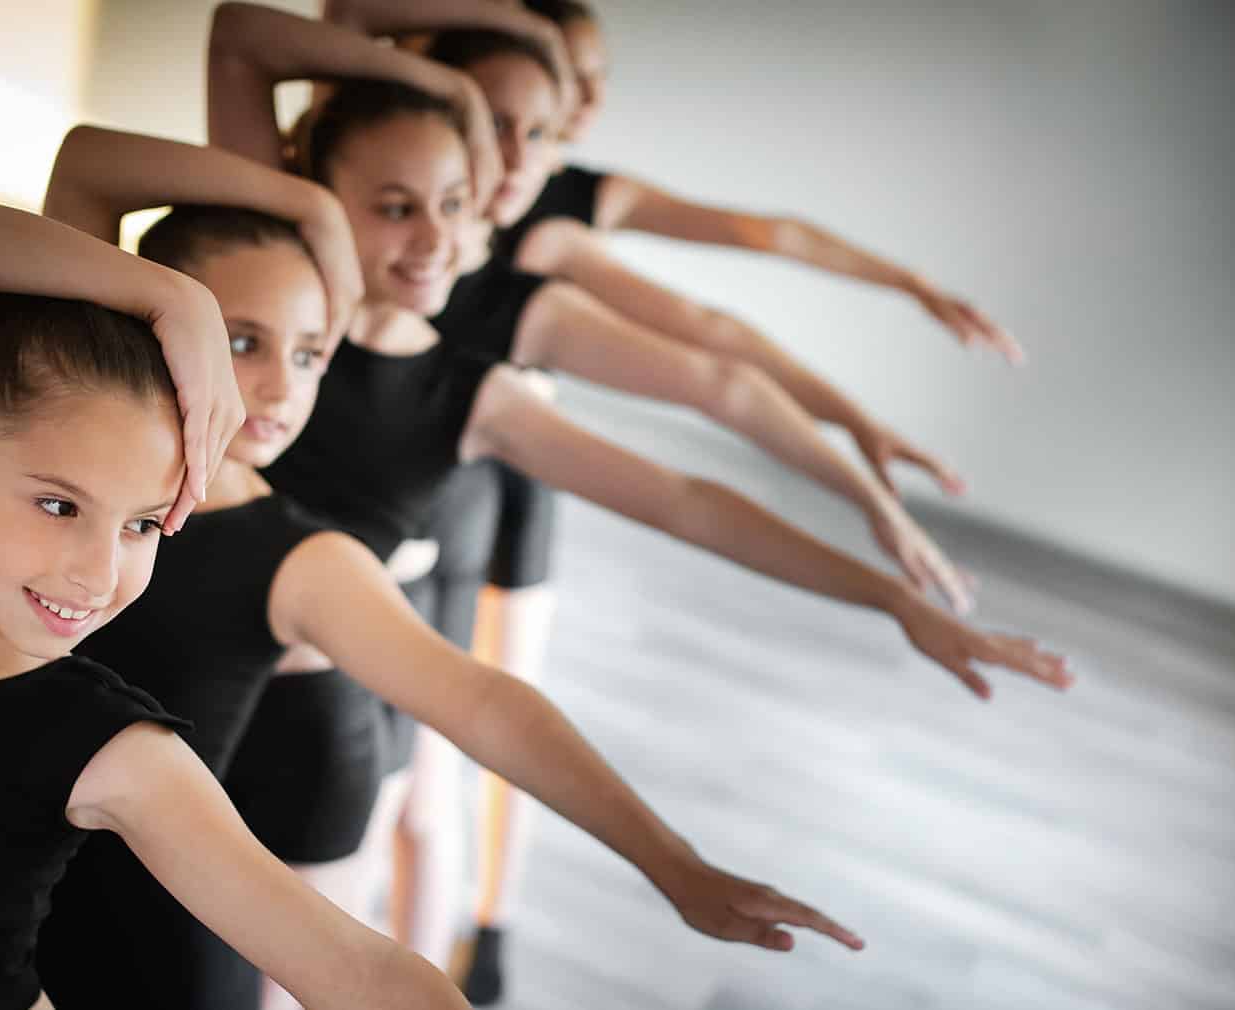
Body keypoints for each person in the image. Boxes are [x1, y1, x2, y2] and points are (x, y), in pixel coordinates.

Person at [208, 3, 1073, 996]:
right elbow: (244, 36)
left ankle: (483, 937)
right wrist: (460, 76)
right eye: (403, 201)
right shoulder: (272, 262)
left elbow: (688, 496)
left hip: (313, 715)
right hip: (174, 668)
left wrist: (887, 585)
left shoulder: (473, 383)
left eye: (456, 198)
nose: (439, 231)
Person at [32, 126, 865, 1010]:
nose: (281, 387)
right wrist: (315, 207)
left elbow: (481, 699)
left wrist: (668, 859)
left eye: (311, 352)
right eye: (240, 340)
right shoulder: (47, 421)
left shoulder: (292, 554)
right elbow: (88, 165)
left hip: (144, 963)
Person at [0, 177, 473, 1010]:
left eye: (143, 525)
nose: (99, 575)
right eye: (60, 505)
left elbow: (364, 972)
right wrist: (174, 299)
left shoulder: (115, 750)